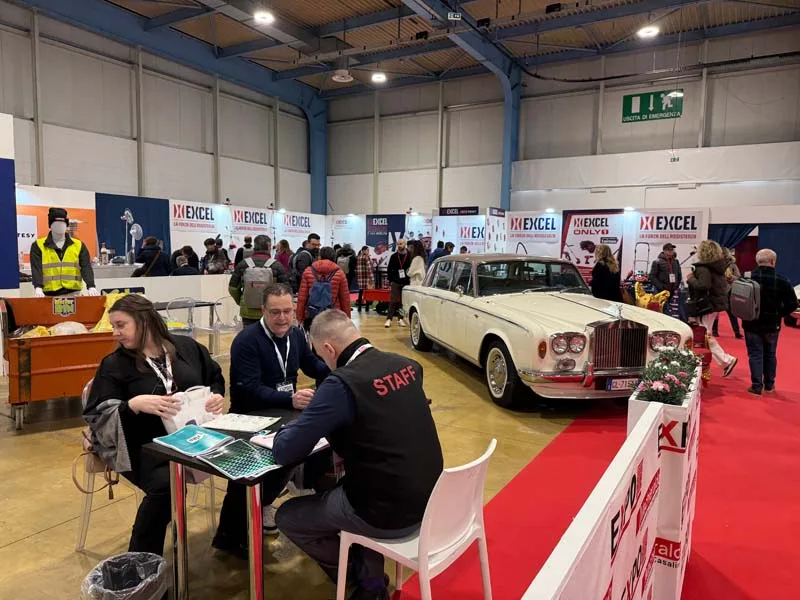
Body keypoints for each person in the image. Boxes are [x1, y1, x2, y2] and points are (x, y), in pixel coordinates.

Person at [273, 310, 443, 600]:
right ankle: (369, 575)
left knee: (289, 516)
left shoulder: (341, 384)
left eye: (322, 356)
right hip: (433, 500)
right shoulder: (407, 365)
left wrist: (284, 431)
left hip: (384, 512)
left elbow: (286, 450)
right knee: (342, 484)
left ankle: (360, 580)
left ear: (329, 349)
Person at [83, 295, 225, 555]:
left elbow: (214, 376)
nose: (115, 333)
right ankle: (141, 564)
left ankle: (232, 539)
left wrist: (217, 395)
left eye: (121, 325)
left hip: (194, 437)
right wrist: (133, 405)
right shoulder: (114, 364)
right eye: (113, 326)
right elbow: (97, 415)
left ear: (144, 322)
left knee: (239, 464)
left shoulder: (186, 348)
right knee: (166, 487)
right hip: (142, 446)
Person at [214, 283, 331, 556]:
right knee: (256, 469)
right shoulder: (246, 341)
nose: (282, 318)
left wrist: (339, 368)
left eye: (287, 311)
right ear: (263, 310)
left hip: (286, 413)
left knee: (322, 446)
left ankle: (273, 496)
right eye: (275, 312)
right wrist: (290, 399)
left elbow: (311, 364)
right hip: (250, 416)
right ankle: (233, 536)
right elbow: (249, 388)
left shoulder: (296, 335)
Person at [742, 249, 798, 395]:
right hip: (773, 324)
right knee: (770, 354)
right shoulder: (783, 280)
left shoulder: (746, 278)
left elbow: (735, 300)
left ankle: (756, 386)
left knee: (755, 354)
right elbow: (793, 304)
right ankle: (769, 385)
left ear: (757, 261)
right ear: (773, 261)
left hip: (751, 322)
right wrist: (779, 314)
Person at [687, 240, 738, 377]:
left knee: (704, 335)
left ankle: (726, 360)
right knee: (705, 334)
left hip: (705, 306)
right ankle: (723, 361)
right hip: (713, 304)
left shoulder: (703, 268)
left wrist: (690, 279)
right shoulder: (718, 267)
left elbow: (703, 285)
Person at [30, 207, 98, 297]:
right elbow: (36, 269)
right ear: (50, 225)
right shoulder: (38, 245)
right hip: (49, 295)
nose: (60, 226)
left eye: (62, 223)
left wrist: (91, 285)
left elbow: (86, 267)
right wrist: (38, 287)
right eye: (56, 223)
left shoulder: (78, 245)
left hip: (74, 294)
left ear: (66, 224)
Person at [228, 235, 287, 327]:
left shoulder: (243, 264)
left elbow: (232, 288)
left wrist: (242, 301)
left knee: (249, 335)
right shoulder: (277, 266)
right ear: (269, 247)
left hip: (248, 312)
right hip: (271, 312)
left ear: (254, 246)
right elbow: (285, 290)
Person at [297, 246, 351, 331]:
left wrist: (300, 318)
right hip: (333, 315)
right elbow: (345, 299)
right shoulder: (340, 274)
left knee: (313, 337)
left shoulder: (308, 272)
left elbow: (302, 298)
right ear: (334, 257)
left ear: (319, 257)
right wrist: (347, 318)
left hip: (312, 314)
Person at [712, 248, 743, 338]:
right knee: (716, 312)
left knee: (732, 313)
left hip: (729, 291)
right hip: (718, 290)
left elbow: (738, 276)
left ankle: (737, 332)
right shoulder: (715, 265)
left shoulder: (732, 265)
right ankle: (714, 330)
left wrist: (731, 277)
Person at [385, 239, 410, 328]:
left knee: (403, 302)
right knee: (393, 300)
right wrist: (390, 280)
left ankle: (400, 319)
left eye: (401, 244)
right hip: (395, 281)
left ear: (405, 244)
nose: (399, 245)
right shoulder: (394, 256)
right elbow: (389, 269)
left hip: (406, 282)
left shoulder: (409, 256)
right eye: (398, 244)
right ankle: (389, 319)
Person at [355, 246, 375, 313]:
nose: (368, 252)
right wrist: (372, 279)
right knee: (367, 293)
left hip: (360, 278)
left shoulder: (358, 257)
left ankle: (359, 308)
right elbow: (369, 269)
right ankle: (367, 308)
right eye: (367, 250)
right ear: (364, 250)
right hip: (366, 278)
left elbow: (357, 268)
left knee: (360, 292)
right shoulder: (366, 257)